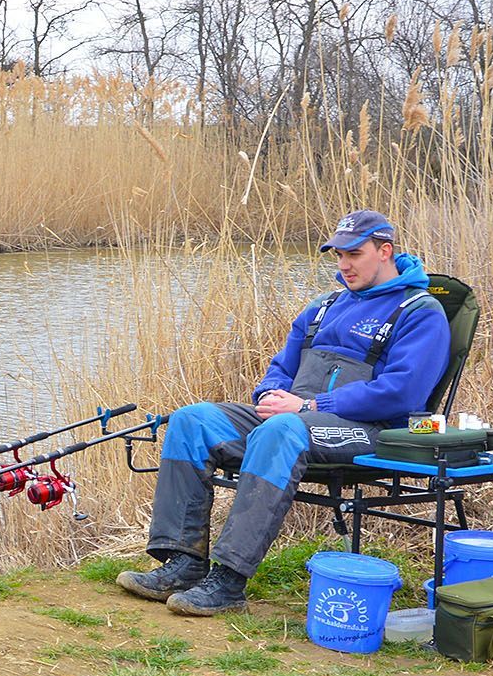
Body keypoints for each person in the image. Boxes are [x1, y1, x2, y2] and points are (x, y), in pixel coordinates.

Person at [118, 209, 451, 616]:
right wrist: (271, 394)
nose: (344, 265)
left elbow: (402, 392)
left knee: (282, 432)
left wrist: (310, 406)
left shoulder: (420, 311)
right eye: (338, 255)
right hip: (296, 417)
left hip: (374, 431)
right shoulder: (324, 306)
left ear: (385, 251)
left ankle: (229, 580)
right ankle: (184, 562)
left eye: (354, 254)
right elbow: (282, 366)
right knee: (192, 421)